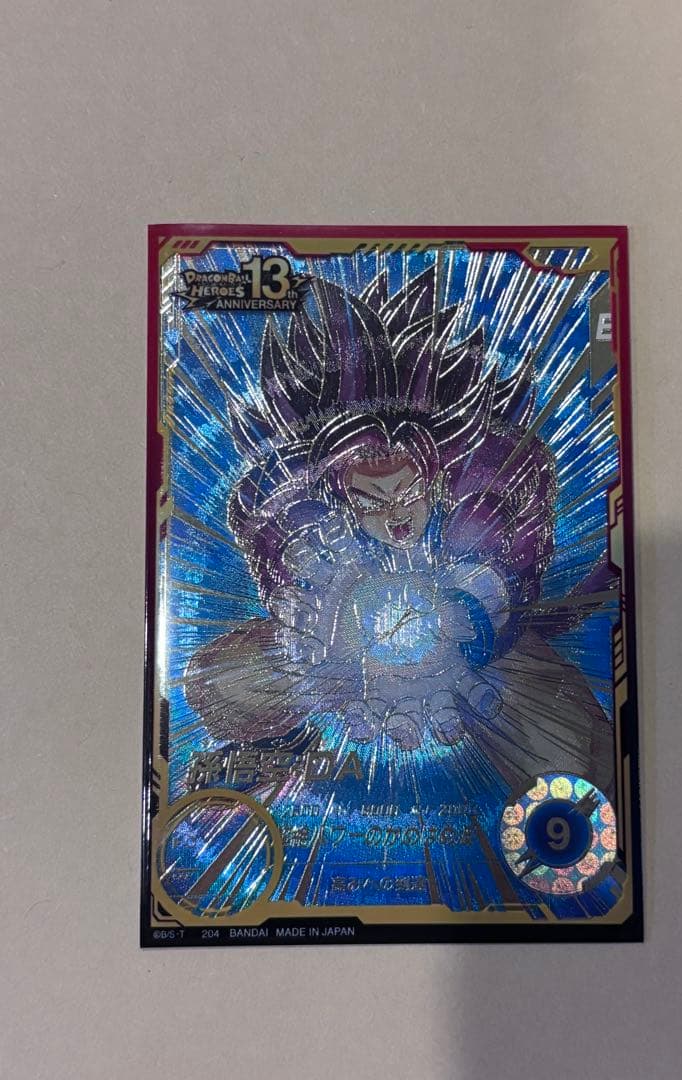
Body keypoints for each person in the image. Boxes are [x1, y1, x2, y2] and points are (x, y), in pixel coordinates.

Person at [185, 268, 614, 791]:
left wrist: (474, 610)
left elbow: (509, 545)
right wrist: (317, 639)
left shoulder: (481, 484)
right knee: (230, 681)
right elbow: (277, 567)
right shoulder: (299, 515)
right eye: (371, 501)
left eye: (407, 493)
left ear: (433, 479)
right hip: (362, 654)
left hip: (481, 652)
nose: (395, 517)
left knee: (568, 765)